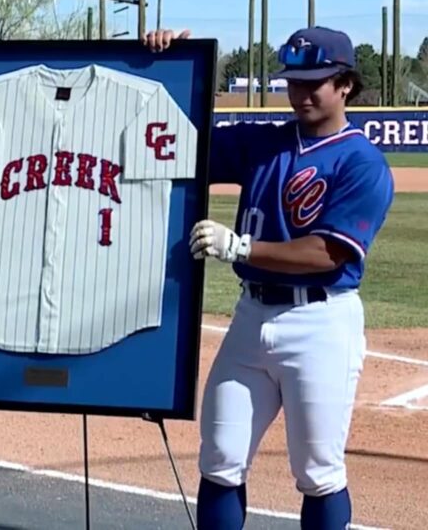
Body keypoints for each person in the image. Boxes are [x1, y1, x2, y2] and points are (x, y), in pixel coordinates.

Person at [144, 27, 394, 529]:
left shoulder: (362, 162)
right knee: (220, 458)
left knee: (318, 471)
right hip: (251, 315)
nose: (300, 93)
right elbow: (173, 135)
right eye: (294, 82)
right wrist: (165, 67)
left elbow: (327, 252)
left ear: (345, 84)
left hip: (320, 323)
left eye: (315, 82)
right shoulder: (264, 141)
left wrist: (240, 247)